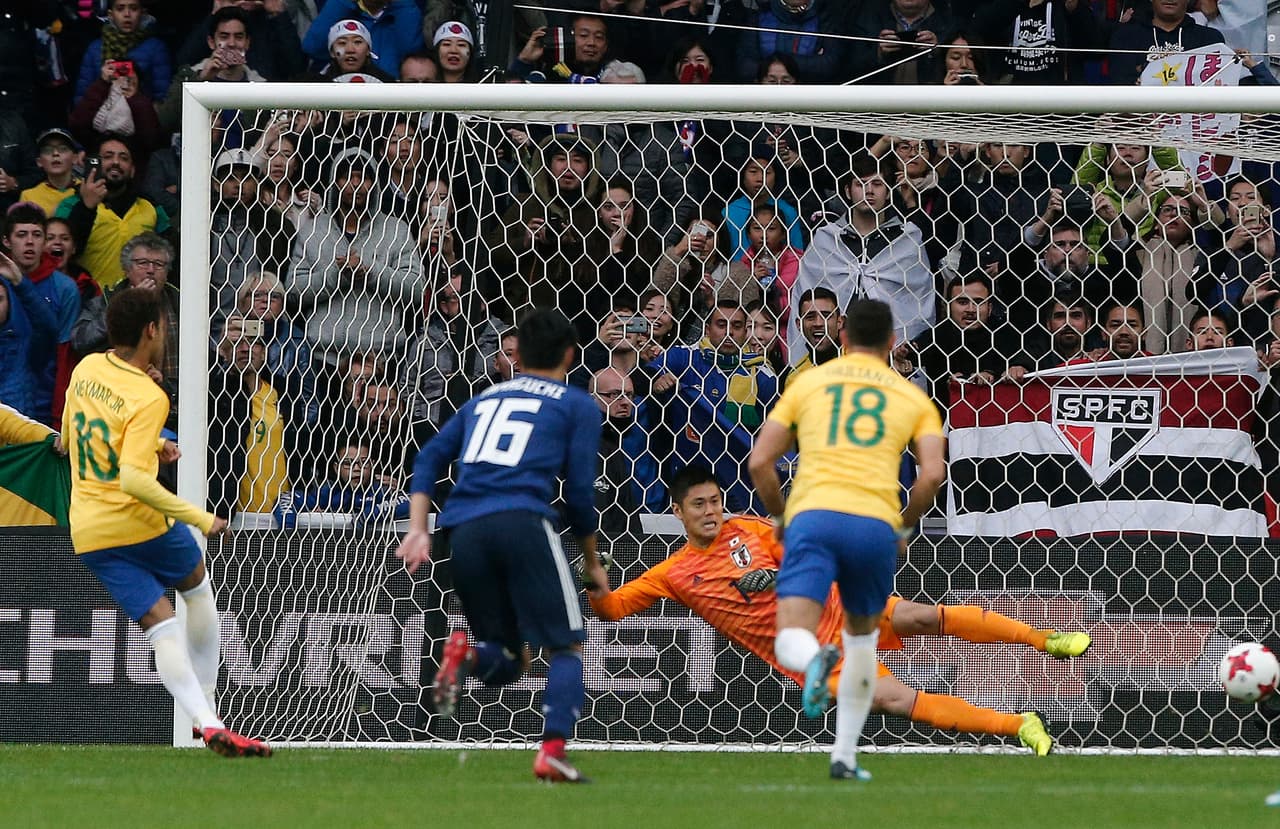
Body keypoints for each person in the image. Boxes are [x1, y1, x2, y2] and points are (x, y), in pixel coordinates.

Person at [588, 467, 1087, 754]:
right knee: (895, 699)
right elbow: (611, 610)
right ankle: (1020, 725)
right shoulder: (672, 574)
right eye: (699, 505)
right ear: (677, 511)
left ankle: (1047, 640)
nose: (712, 512)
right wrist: (594, 574)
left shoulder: (751, 530)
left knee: (922, 616)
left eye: (716, 501)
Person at [396, 308, 606, 783]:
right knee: (566, 646)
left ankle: (462, 656)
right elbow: (577, 494)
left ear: (519, 353)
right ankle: (552, 751)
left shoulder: (484, 399)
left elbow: (428, 456)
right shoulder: (575, 403)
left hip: (462, 531)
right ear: (570, 355)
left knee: (510, 660)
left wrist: (417, 527)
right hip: (522, 521)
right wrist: (592, 561)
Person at [62, 287, 269, 757]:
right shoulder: (149, 394)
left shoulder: (86, 369)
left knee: (160, 625)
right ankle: (210, 709)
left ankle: (206, 721)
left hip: (90, 530)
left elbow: (80, 435)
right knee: (196, 588)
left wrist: (154, 443)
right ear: (152, 330)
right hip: (140, 521)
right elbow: (135, 481)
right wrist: (199, 516)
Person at [748, 298, 946, 781]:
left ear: (841, 336)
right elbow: (932, 476)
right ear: (893, 342)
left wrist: (781, 516)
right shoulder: (913, 396)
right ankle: (844, 757)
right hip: (875, 524)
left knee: (794, 633)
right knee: (861, 645)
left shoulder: (809, 383)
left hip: (814, 516)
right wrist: (904, 524)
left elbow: (758, 463)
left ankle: (815, 659)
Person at [55, 134, 170, 291]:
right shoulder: (69, 204)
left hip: (139, 301)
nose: (116, 162)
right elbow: (61, 253)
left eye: (124, 158)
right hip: (88, 303)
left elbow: (169, 253)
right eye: (108, 157)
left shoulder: (150, 207)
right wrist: (86, 207)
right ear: (94, 164)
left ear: (132, 170)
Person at [2, 203, 80, 427]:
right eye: (21, 235)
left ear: (45, 242)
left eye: (37, 235)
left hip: (46, 402)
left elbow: (65, 354)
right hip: (8, 399)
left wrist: (60, 414)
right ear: (7, 241)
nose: (29, 242)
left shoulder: (65, 288)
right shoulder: (1, 286)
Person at [273, 439, 409, 530]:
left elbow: (412, 500)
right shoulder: (328, 492)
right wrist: (288, 532)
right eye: (348, 463)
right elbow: (285, 498)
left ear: (372, 465)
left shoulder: (381, 490)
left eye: (363, 462)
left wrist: (369, 515)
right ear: (337, 468)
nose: (356, 468)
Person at [21, 129, 83, 220]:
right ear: (39, 161)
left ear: (75, 158)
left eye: (63, 149)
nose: (55, 153)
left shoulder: (88, 190)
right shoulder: (29, 197)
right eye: (47, 150)